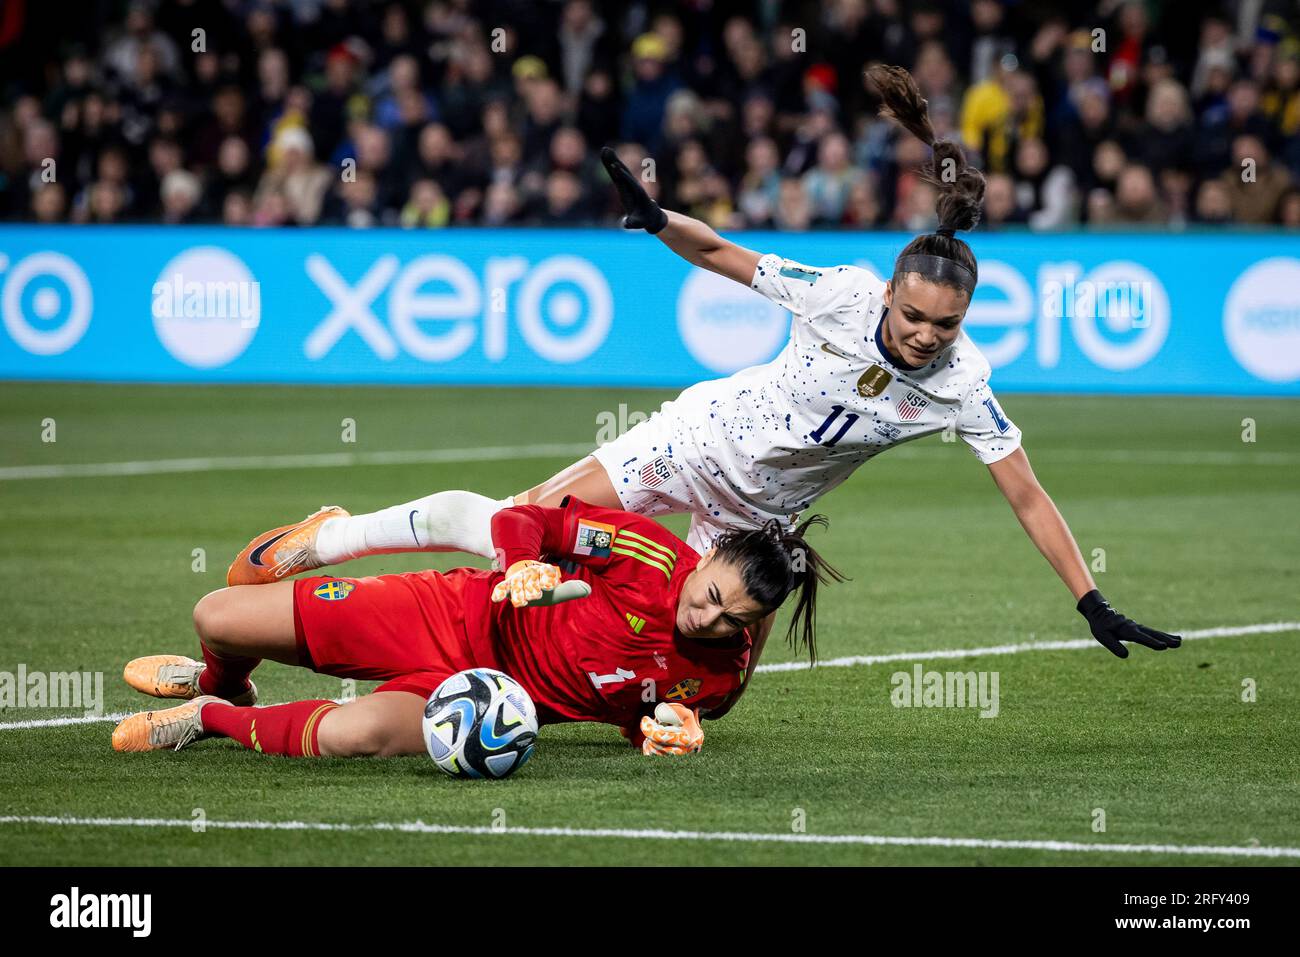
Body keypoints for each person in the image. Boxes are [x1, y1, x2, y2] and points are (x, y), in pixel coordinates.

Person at [225, 65, 1180, 720]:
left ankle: (591, 709)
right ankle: (334, 538)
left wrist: (1089, 597)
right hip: (692, 442)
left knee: (696, 666)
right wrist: (659, 220)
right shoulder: (842, 294)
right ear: (890, 294)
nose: (929, 336)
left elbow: (1025, 489)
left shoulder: (966, 384)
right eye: (917, 316)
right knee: (523, 524)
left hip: (760, 524)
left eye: (947, 325)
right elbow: (729, 254)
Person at [113, 497, 842, 758]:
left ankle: (206, 717)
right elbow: (523, 519)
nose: (705, 615)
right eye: (711, 593)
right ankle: (221, 681)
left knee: (351, 736)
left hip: (488, 701)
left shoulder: (716, 680)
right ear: (707, 553)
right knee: (218, 613)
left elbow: (639, 709)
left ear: (753, 627)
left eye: (729, 619)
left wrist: (658, 729)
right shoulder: (646, 553)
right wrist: (523, 563)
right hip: (444, 612)